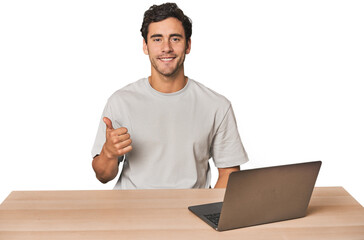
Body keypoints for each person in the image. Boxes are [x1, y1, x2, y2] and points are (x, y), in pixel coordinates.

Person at [91, 3, 248, 189]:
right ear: (145, 46)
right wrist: (109, 153)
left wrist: (208, 211)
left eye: (175, 39)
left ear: (188, 45)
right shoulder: (121, 102)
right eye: (157, 39)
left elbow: (229, 172)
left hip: (189, 212)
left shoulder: (216, 105)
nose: (166, 48)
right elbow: (103, 176)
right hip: (132, 212)